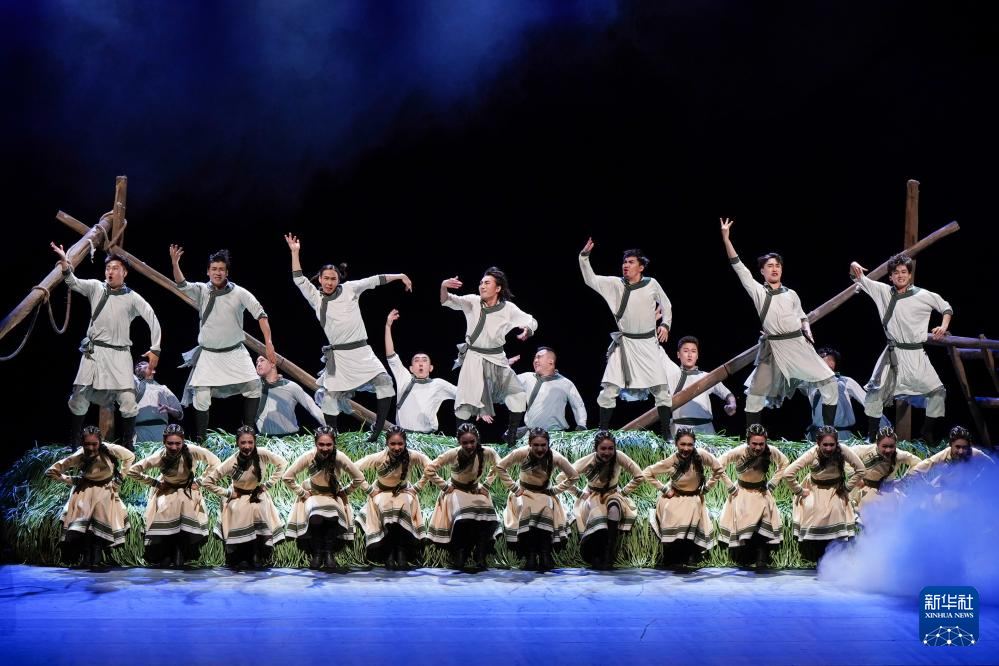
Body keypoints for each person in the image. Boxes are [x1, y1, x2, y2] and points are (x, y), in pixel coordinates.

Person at [285, 234, 412, 441]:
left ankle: (377, 430)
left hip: (362, 352)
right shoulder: (316, 298)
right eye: (326, 278)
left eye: (333, 279)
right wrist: (295, 252)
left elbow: (375, 280)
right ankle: (331, 436)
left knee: (385, 383)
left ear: (338, 280)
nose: (329, 282)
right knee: (330, 398)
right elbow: (298, 279)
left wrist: (399, 275)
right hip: (340, 357)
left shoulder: (350, 289)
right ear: (320, 279)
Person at [719, 218, 838, 429]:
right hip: (774, 349)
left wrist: (808, 331)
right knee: (755, 394)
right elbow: (739, 267)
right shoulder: (758, 292)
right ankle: (753, 436)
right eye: (769, 266)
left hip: (798, 346)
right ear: (762, 271)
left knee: (830, 382)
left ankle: (828, 432)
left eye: (777, 265)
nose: (774, 269)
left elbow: (802, 317)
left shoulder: (792, 294)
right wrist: (726, 239)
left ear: (781, 269)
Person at [51, 243, 162, 448]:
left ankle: (128, 446)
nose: (110, 271)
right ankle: (74, 443)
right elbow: (73, 282)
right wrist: (65, 264)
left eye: (115, 268)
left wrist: (155, 348)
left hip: (120, 354)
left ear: (124, 273)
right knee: (79, 396)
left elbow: (152, 317)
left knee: (128, 400)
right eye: (108, 268)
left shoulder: (132, 297)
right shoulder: (96, 287)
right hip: (94, 352)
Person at [170, 245, 276, 443]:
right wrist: (175, 263)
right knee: (201, 396)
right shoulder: (202, 290)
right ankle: (201, 440)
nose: (217, 272)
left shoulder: (240, 293)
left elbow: (261, 314)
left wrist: (268, 343)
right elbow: (182, 284)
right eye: (214, 269)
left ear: (227, 272)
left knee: (254, 385)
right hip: (209, 355)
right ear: (208, 272)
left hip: (235, 352)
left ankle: (248, 433)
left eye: (221, 269)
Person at [849, 254, 953, 443]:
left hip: (916, 354)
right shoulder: (882, 291)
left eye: (904, 272)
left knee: (937, 393)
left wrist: (943, 326)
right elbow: (858, 277)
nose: (900, 275)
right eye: (896, 272)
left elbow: (946, 308)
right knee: (875, 393)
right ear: (890, 276)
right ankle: (872, 435)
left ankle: (926, 432)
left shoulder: (924, 295)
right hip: (892, 353)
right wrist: (853, 264)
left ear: (910, 275)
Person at [578, 238, 674, 437]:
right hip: (625, 344)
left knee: (661, 390)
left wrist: (665, 324)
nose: (626, 265)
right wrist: (584, 257)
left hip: (648, 344)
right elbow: (591, 280)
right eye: (624, 262)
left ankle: (666, 434)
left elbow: (667, 305)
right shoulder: (615, 284)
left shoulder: (651, 284)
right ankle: (602, 431)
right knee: (610, 389)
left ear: (641, 267)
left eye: (631, 262)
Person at [441, 269, 537, 445]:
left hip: (497, 359)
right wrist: (444, 287)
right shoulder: (472, 301)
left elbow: (531, 320)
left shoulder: (508, 308)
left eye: (487, 283)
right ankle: (461, 442)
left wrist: (527, 330)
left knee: (517, 395)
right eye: (481, 283)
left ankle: (511, 434)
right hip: (473, 359)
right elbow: (447, 300)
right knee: (464, 404)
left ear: (498, 288)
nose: (482, 286)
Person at [128, 424, 222, 567]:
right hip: (167, 491)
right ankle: (167, 553)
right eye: (170, 443)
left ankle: (180, 551)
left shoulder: (192, 451)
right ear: (164, 442)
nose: (174, 447)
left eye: (178, 443)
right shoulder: (160, 456)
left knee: (184, 504)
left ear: (183, 441)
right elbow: (133, 471)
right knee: (167, 506)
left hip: (188, 490)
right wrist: (154, 483)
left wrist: (200, 481)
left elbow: (216, 462)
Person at [488, 427, 579, 571]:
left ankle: (544, 553)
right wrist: (514, 488)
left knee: (547, 507)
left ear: (548, 444)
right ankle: (530, 554)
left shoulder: (555, 457)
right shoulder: (522, 453)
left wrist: (555, 490)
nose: (540, 448)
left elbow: (574, 476)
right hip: (524, 492)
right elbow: (500, 467)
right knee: (525, 507)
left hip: (544, 492)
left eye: (543, 445)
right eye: (536, 445)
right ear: (529, 444)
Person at [45, 425, 134, 570]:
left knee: (101, 509)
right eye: (87, 444)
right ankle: (86, 555)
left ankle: (96, 554)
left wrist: (120, 478)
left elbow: (130, 456)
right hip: (85, 490)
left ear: (100, 442)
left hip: (105, 489)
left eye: (94, 444)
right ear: (82, 443)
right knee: (86, 516)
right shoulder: (79, 455)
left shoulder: (110, 449)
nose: (91, 448)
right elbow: (51, 471)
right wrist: (72, 480)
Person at [202, 426, 288, 569]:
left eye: (250, 442)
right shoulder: (232, 461)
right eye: (243, 443)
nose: (247, 446)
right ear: (237, 443)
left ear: (255, 442)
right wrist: (228, 493)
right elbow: (207, 482)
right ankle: (240, 555)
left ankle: (256, 553)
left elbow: (282, 463)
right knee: (239, 511)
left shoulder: (262, 454)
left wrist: (268, 484)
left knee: (258, 509)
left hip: (256, 494)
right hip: (238, 496)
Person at [556, 430, 644, 570]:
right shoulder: (588, 460)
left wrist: (624, 492)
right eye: (603, 448)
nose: (607, 452)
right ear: (596, 448)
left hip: (613, 494)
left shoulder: (618, 456)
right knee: (598, 513)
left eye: (610, 448)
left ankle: (609, 552)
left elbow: (639, 476)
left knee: (614, 509)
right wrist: (579, 493)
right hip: (593, 496)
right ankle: (595, 554)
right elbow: (561, 477)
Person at [283, 426, 367, 570]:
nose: (325, 448)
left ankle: (329, 553)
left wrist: (346, 492)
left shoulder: (339, 457)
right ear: (315, 443)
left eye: (329, 444)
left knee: (332, 513)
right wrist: (302, 493)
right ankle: (317, 554)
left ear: (334, 444)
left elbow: (359, 477)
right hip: (314, 494)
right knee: (316, 514)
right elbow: (287, 477)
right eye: (321, 444)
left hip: (332, 495)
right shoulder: (309, 456)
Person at [640, 428, 726, 569]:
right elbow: (647, 472)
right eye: (683, 444)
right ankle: (672, 554)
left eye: (690, 444)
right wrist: (664, 489)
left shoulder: (701, 455)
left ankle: (690, 554)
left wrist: (707, 487)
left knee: (693, 509)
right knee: (673, 513)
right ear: (676, 444)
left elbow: (718, 468)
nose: (686, 448)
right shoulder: (672, 460)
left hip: (693, 497)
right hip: (675, 497)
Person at [422, 423, 503, 570]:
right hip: (456, 490)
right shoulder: (453, 454)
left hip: (476, 489)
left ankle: (480, 553)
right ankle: (460, 553)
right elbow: (429, 469)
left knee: (490, 519)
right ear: (459, 442)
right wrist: (444, 486)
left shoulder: (487, 452)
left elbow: (499, 466)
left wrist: (486, 485)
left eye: (472, 442)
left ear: (477, 439)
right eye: (465, 442)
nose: (469, 445)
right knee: (463, 518)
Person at [780, 425, 866, 562]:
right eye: (825, 445)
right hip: (815, 489)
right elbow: (788, 473)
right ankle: (815, 553)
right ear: (818, 443)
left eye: (832, 445)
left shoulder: (843, 450)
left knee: (836, 509)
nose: (828, 448)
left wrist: (847, 488)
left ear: (837, 443)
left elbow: (861, 469)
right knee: (812, 508)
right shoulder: (812, 453)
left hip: (835, 489)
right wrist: (799, 491)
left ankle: (835, 554)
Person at [354, 426, 433, 570]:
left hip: (404, 492)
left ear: (405, 443)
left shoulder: (412, 455)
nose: (397, 447)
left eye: (400, 444)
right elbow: (354, 468)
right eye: (393, 444)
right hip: (381, 492)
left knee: (405, 503)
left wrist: (417, 487)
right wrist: (368, 489)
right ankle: (388, 551)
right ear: (387, 443)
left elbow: (430, 466)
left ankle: (401, 550)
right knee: (383, 504)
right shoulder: (379, 457)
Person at [716, 424, 790, 569]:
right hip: (742, 492)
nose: (758, 447)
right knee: (745, 519)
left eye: (761, 444)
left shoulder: (770, 451)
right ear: (747, 442)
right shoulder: (739, 451)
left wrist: (773, 483)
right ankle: (747, 556)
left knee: (764, 515)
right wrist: (729, 485)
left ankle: (762, 557)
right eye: (754, 444)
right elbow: (718, 464)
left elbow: (784, 462)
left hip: (761, 492)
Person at [384, 309, 456, 433]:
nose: (421, 363)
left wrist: (480, 409)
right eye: (417, 360)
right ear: (411, 368)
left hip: (427, 437)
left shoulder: (438, 384)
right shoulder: (404, 378)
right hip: (403, 436)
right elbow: (391, 354)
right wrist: (388, 326)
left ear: (431, 368)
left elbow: (462, 394)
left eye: (424, 360)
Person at [666, 335, 737, 436]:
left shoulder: (707, 377)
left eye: (693, 351)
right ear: (678, 354)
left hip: (706, 431)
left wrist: (732, 405)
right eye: (686, 351)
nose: (690, 355)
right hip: (680, 430)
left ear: (697, 355)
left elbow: (727, 394)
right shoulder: (672, 377)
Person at [801, 347, 873, 442]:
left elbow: (871, 404)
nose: (816, 364)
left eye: (820, 360)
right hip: (815, 436)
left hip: (840, 437)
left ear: (832, 364)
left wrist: (878, 433)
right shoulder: (810, 384)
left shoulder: (846, 382)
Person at [849, 426, 922, 511]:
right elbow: (846, 456)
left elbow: (919, 463)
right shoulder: (865, 450)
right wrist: (855, 477)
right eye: (884, 446)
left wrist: (905, 479)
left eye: (891, 446)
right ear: (877, 444)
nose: (888, 450)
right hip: (863, 490)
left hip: (887, 491)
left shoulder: (899, 455)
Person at [516, 347, 587, 432]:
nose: (535, 360)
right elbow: (506, 383)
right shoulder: (527, 377)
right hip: (532, 434)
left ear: (551, 361)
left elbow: (578, 405)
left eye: (539, 357)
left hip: (555, 434)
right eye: (535, 358)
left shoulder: (566, 383)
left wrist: (581, 424)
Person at [254, 355, 325, 436]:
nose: (258, 364)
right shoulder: (254, 387)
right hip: (264, 439)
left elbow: (312, 407)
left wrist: (330, 427)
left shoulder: (291, 386)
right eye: (257, 363)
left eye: (262, 360)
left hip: (289, 439)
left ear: (272, 363)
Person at [907, 425, 995, 486]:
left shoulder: (974, 453)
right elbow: (915, 470)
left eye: (964, 447)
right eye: (957, 447)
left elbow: (993, 466)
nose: (961, 451)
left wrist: (977, 480)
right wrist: (926, 486)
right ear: (950, 444)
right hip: (944, 489)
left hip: (967, 489)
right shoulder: (944, 454)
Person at [133, 359, 183, 445]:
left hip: (160, 430)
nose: (138, 365)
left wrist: (169, 409)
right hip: (139, 431)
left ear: (153, 370)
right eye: (137, 366)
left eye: (143, 364)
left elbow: (180, 414)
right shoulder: (134, 386)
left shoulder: (163, 388)